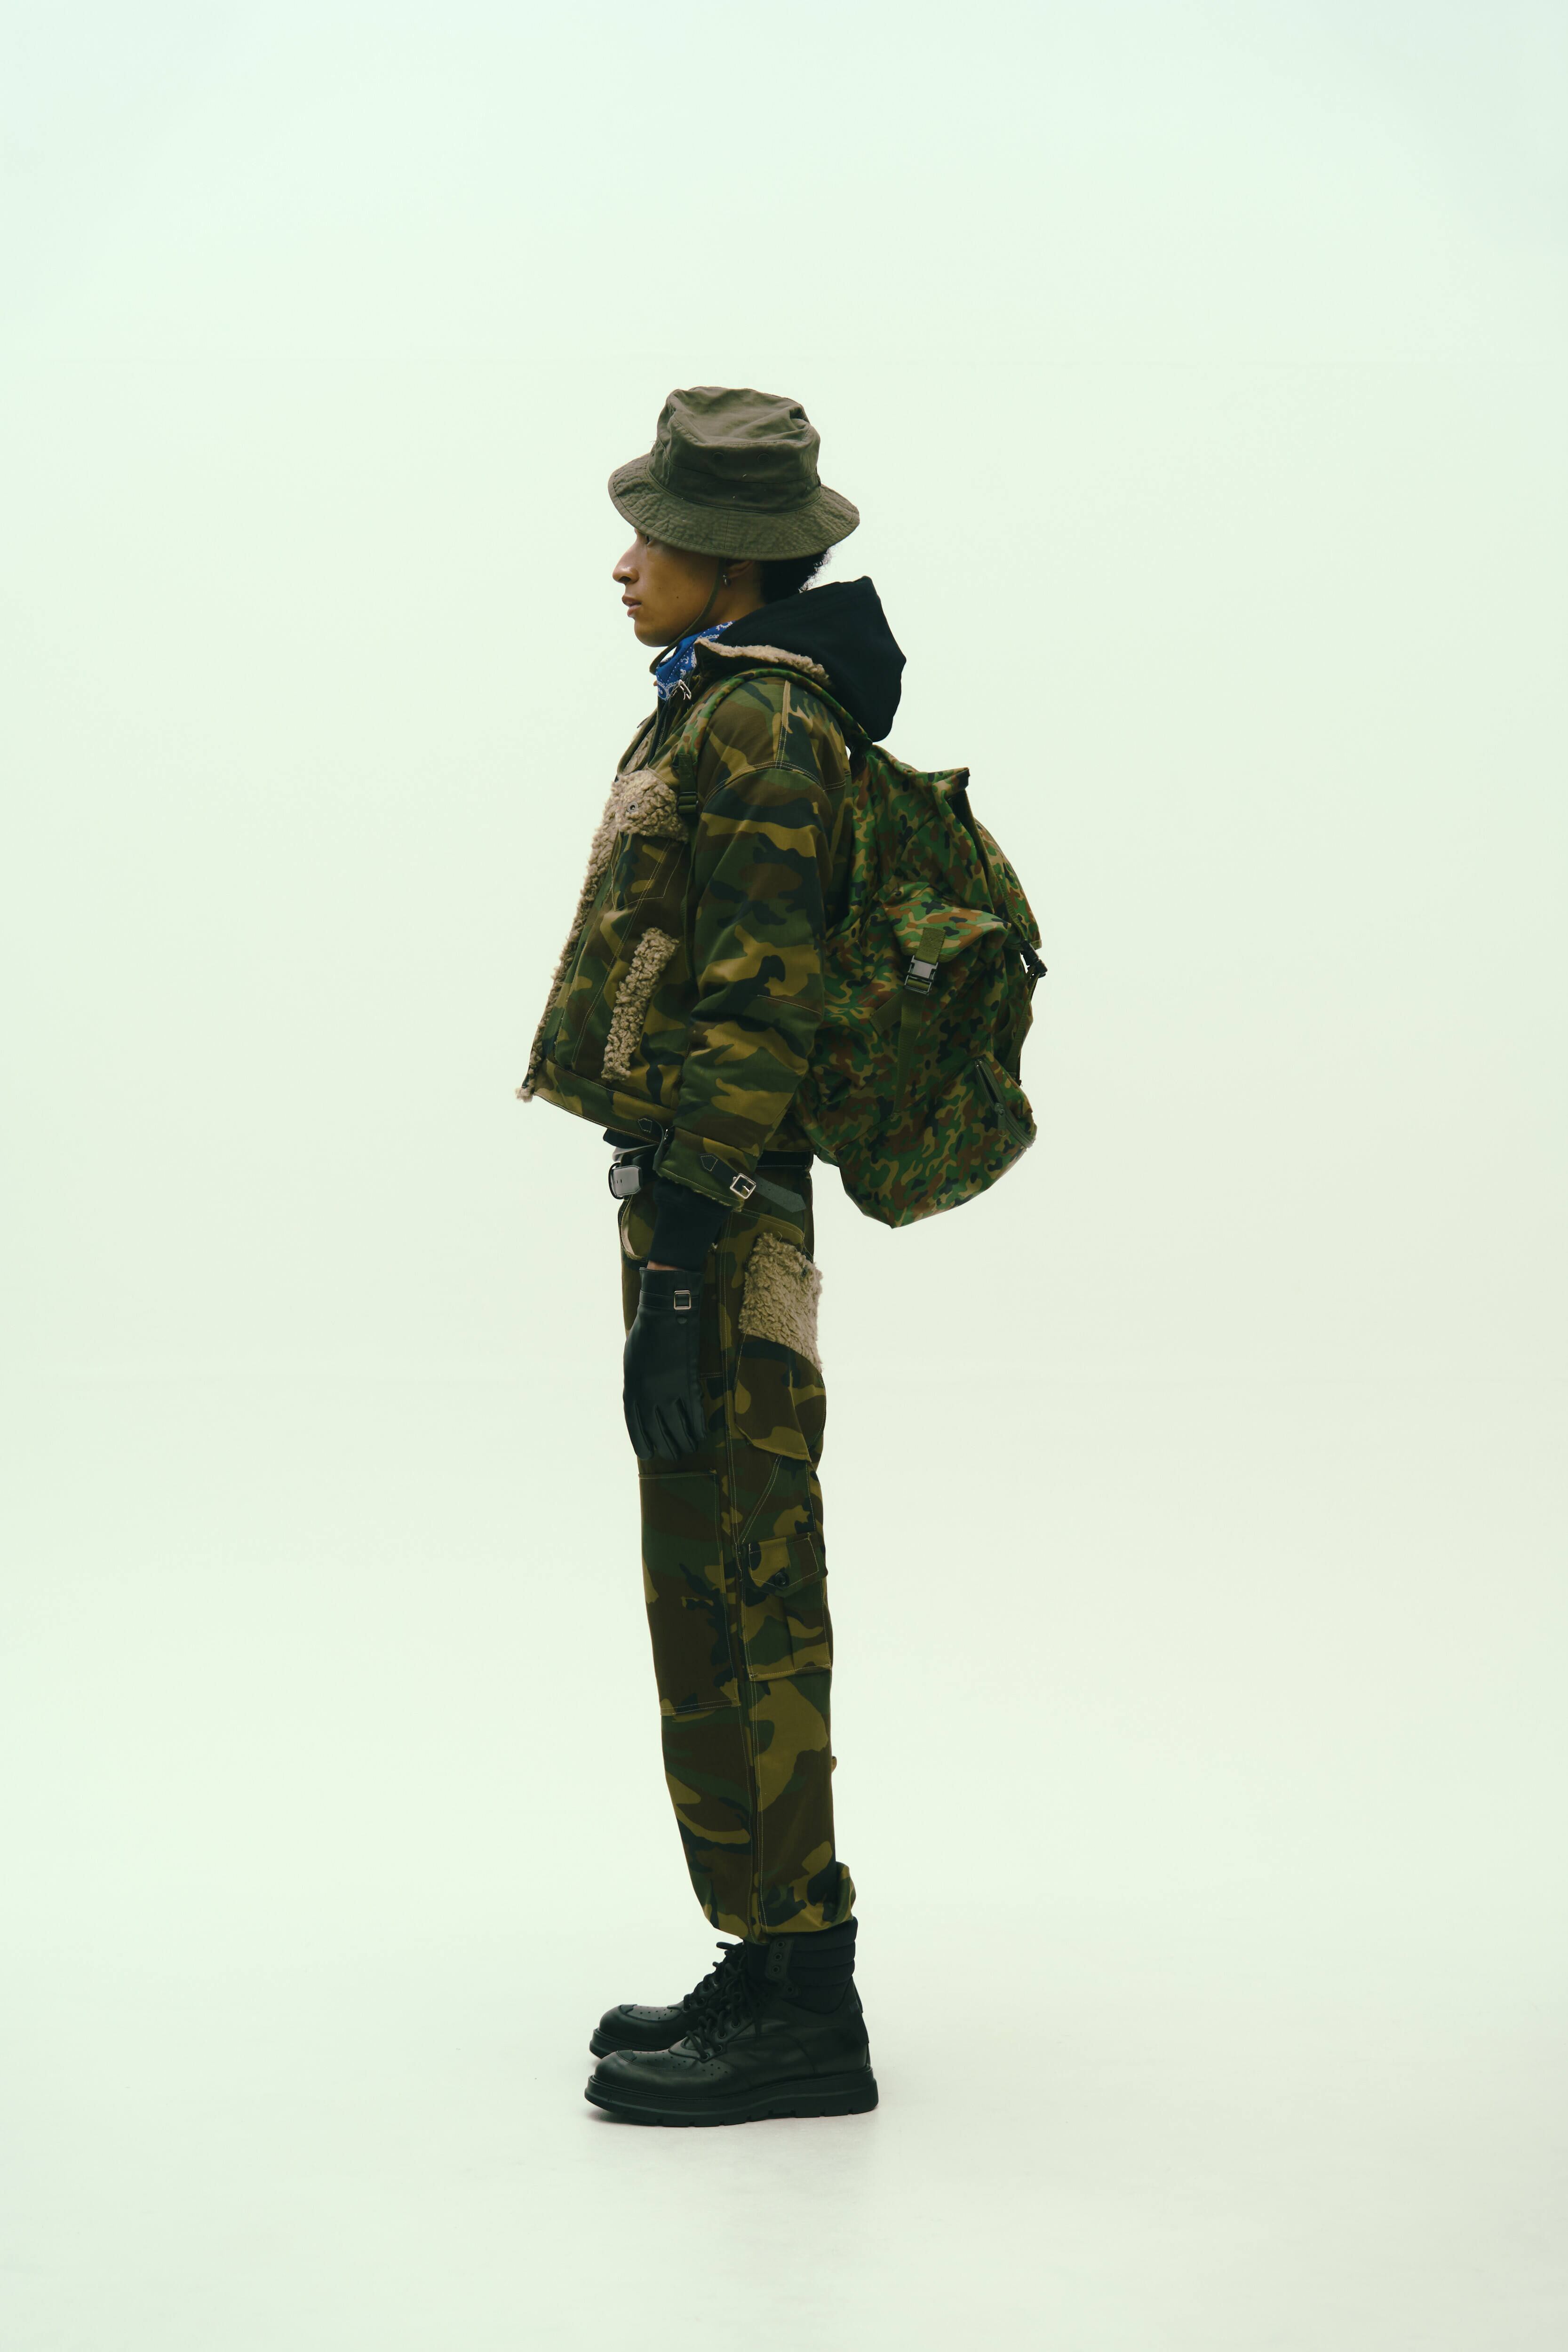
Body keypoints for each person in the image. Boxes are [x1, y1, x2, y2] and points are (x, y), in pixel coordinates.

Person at [519, 386, 906, 2126]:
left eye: (653, 537)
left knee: (747, 1583)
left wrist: (682, 1275)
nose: (625, 563)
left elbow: (762, 1010)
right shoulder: (729, 698)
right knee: (710, 1575)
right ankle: (768, 1952)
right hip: (702, 1201)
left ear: (728, 564)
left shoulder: (760, 724)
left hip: (723, 1212)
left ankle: (806, 2000)